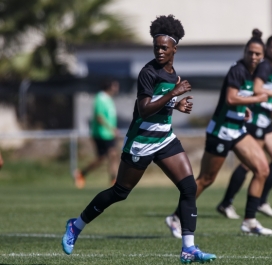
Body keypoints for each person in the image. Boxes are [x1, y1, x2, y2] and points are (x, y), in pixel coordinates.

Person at [62, 15, 216, 264]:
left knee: (189, 187)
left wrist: (177, 104)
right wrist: (174, 96)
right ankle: (76, 225)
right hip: (141, 141)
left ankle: (188, 248)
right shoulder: (148, 72)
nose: (159, 51)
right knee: (119, 192)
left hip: (164, 139)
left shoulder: (173, 75)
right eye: (156, 47)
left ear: (174, 48)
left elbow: (162, 102)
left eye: (164, 47)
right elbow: (144, 109)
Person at [165, 29, 272, 238]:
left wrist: (245, 110)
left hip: (237, 130)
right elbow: (232, 98)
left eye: (257, 54)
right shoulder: (238, 70)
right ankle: (175, 217)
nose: (253, 57)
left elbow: (236, 100)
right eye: (250, 52)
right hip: (221, 131)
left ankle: (250, 221)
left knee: (262, 169)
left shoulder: (251, 73)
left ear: (262, 56)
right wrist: (256, 100)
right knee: (206, 179)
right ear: (245, 52)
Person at [217, 34, 272, 219]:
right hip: (255, 120)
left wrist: (270, 105)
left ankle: (261, 201)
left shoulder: (270, 65)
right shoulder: (265, 65)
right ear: (266, 49)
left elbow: (258, 92)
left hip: (264, 119)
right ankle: (228, 203)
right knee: (249, 165)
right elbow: (257, 89)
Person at [74, 79, 120, 188]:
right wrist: (111, 129)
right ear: (109, 86)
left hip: (109, 134)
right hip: (101, 134)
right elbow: (99, 117)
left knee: (112, 155)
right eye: (115, 86)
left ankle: (113, 180)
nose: (117, 88)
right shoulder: (100, 98)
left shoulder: (109, 99)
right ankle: (82, 173)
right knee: (103, 158)